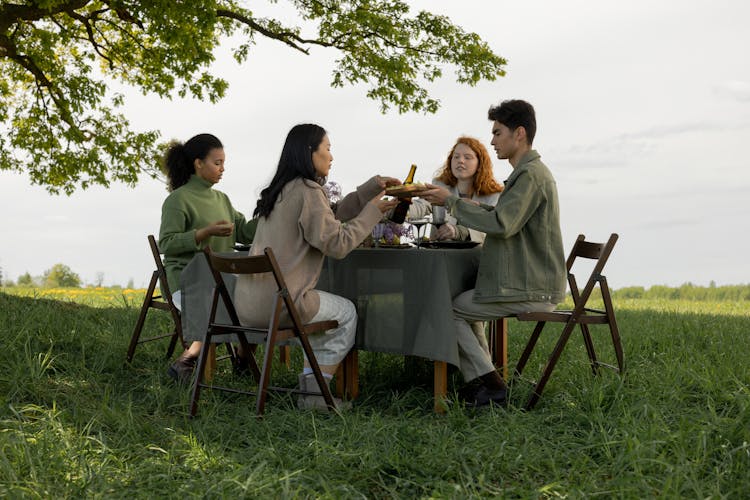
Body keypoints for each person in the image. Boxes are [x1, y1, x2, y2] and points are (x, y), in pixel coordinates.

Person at [233, 123, 400, 410]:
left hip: (247, 306)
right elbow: (338, 244)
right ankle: (314, 393)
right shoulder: (309, 191)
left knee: (327, 311)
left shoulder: (281, 190)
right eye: (328, 149)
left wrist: (370, 190)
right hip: (281, 306)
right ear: (311, 152)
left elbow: (329, 217)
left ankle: (313, 392)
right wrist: (372, 213)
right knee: (346, 312)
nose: (331, 156)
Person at [418, 100, 566, 407]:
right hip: (529, 280)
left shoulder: (530, 176)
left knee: (449, 309)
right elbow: (503, 215)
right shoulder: (528, 173)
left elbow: (501, 223)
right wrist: (461, 203)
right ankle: (486, 385)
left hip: (532, 286)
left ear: (519, 133)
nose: (493, 140)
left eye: (498, 133)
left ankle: (489, 385)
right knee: (463, 304)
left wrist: (452, 203)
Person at [158, 133, 257, 383]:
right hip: (187, 281)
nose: (223, 169)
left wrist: (269, 215)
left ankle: (242, 361)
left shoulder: (222, 199)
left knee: (258, 302)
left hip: (221, 280)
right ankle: (189, 360)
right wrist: (205, 233)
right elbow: (167, 244)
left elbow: (245, 232)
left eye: (224, 163)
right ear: (198, 163)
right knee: (224, 304)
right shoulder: (177, 200)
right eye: (217, 163)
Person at [409, 136, 503, 243]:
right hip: (442, 254)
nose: (461, 161)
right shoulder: (440, 185)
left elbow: (493, 227)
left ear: (480, 164)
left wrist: (458, 231)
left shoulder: (494, 195)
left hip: (478, 257)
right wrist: (395, 207)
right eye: (456, 157)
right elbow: (421, 206)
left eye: (467, 157)